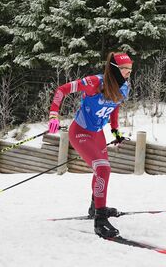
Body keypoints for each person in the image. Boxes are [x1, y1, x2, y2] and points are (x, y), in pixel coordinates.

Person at [47, 52, 133, 238]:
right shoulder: (94, 82)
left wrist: (116, 131)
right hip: (80, 132)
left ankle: (96, 207)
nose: (128, 73)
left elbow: (114, 107)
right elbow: (62, 90)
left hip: (97, 135)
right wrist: (54, 115)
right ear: (115, 69)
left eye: (130, 69)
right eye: (125, 69)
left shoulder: (124, 87)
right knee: (103, 169)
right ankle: (100, 221)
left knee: (100, 170)